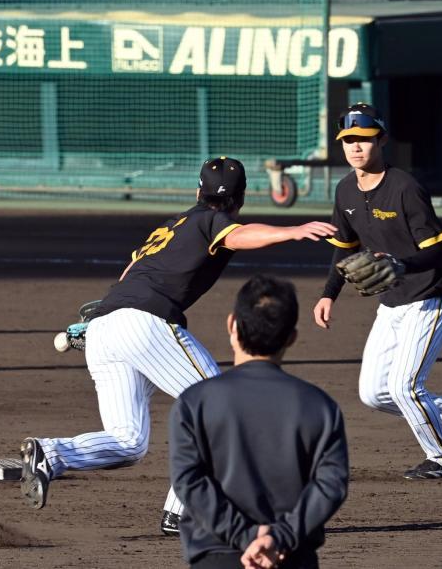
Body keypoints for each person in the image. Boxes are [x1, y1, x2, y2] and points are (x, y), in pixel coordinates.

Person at [17, 157, 337, 535]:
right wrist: (293, 230)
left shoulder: (171, 226)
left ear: (198, 191)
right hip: (144, 325)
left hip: (103, 328)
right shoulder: (211, 220)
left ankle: (50, 454)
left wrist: (102, 320)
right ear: (241, 198)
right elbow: (238, 235)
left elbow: (128, 274)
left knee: (128, 440)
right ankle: (184, 511)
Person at [313, 103, 442, 479]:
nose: (356, 146)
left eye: (364, 139)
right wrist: (328, 294)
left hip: (431, 297)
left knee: (405, 387)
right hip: (392, 302)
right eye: (349, 140)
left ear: (381, 140)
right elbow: (345, 248)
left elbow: (435, 251)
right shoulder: (345, 191)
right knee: (373, 393)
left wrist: (402, 264)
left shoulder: (405, 187)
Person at [170, 274, 349, 569]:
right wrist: (280, 536)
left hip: (216, 555)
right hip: (291, 557)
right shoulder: (319, 405)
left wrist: (245, 535)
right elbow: (331, 485)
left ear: (232, 325)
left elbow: (189, 481)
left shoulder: (195, 402)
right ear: (291, 337)